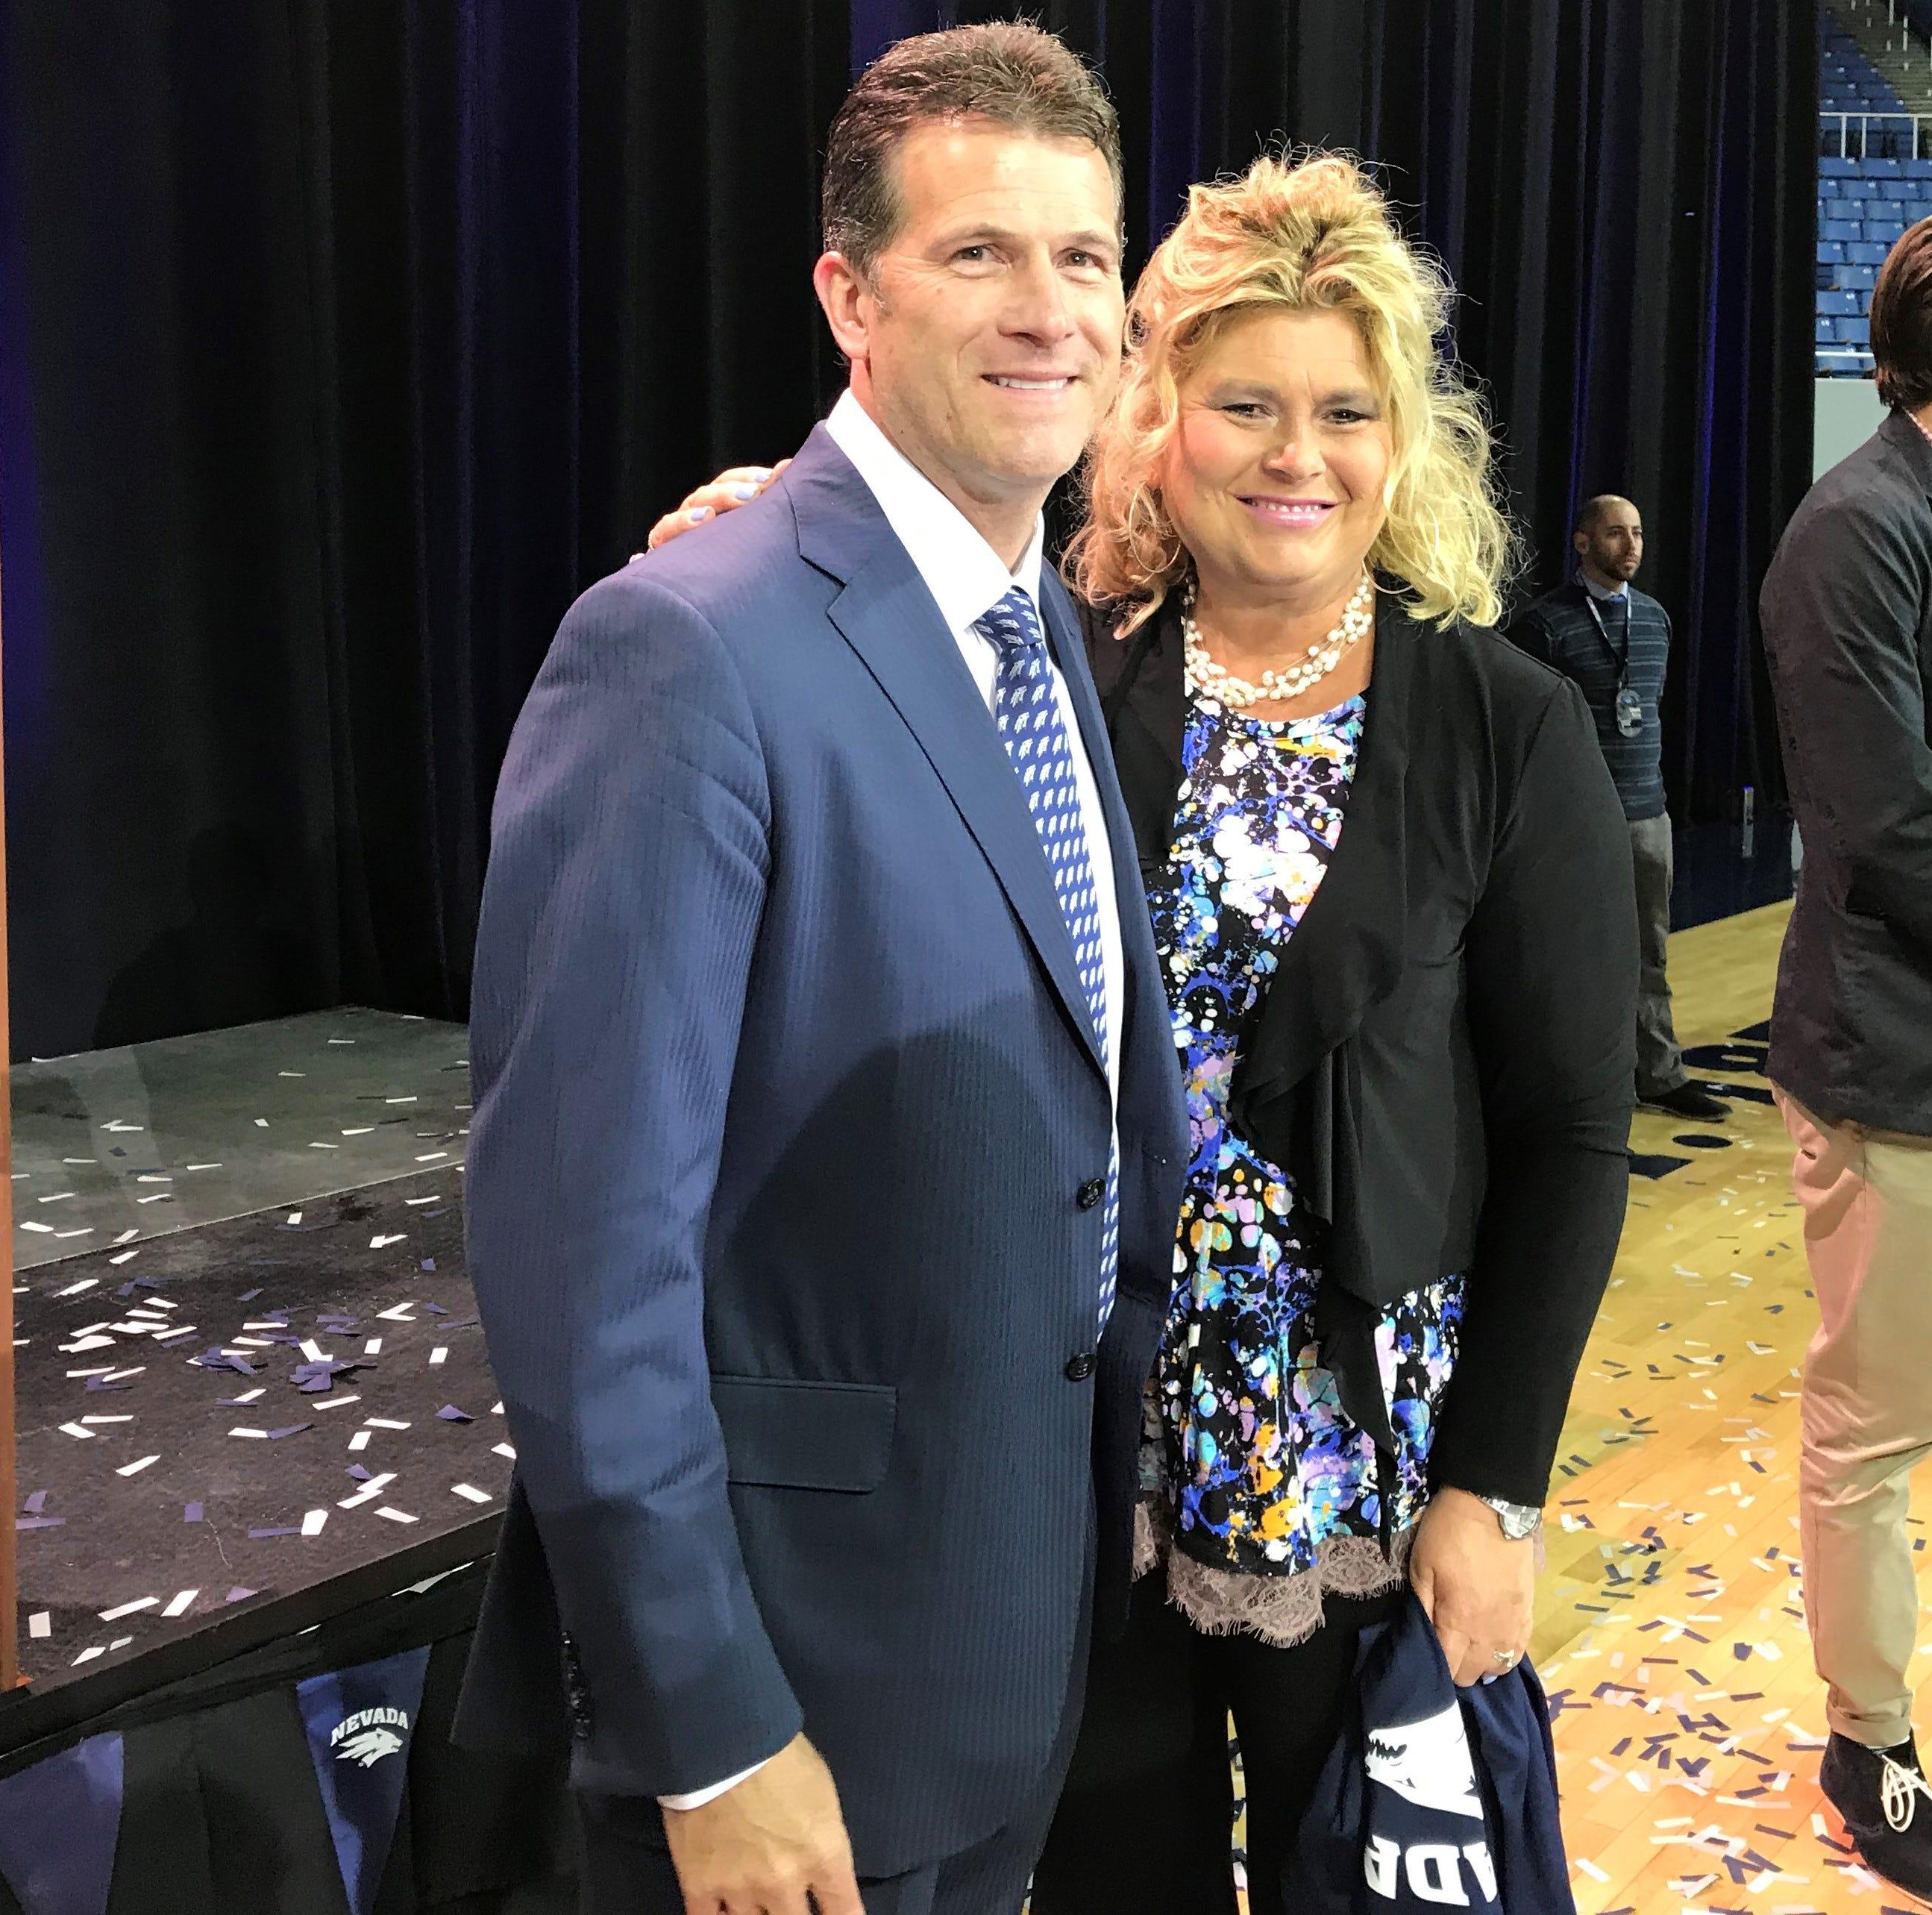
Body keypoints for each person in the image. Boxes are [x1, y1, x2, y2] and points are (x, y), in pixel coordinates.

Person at [651, 152, 1637, 1914]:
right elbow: (841, 630)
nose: (1295, 451)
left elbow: (1571, 1133)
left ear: (1399, 440)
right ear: (1153, 418)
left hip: (1360, 1463)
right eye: (1243, 399)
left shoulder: (1506, 722)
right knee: (1116, 1874)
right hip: (1084, 1456)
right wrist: (754, 535)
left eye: (1343, 409)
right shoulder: (1051, 668)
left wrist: (1498, 1484)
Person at [452, 27, 1188, 1915]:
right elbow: (581, 1255)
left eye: (1084, 258)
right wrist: (707, 1726)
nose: (1048, 312)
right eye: (979, 255)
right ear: (848, 297)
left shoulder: (1034, 627)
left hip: (1001, 1654)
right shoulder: (682, 650)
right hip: (787, 1716)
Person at [1757, 213, 1932, 1904]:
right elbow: (1890, 830)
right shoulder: (1856, 534)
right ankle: (1866, 1738)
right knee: (1877, 1429)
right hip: (1898, 1062)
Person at [1508, 498, 1727, 1121]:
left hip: (1645, 815)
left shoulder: (1654, 618)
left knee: (1648, 949)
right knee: (1566, 953)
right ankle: (1568, 1083)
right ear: (1581, 543)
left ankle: (1657, 1074)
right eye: (1614, 533)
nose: (1629, 545)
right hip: (1573, 822)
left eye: (1636, 532)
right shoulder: (1544, 625)